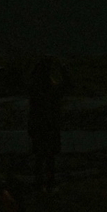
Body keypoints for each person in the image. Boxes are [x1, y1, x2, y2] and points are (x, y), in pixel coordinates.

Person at [27, 56, 68, 193]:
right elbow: (66, 87)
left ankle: (39, 183)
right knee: (49, 157)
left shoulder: (35, 88)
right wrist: (63, 69)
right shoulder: (51, 89)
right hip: (49, 126)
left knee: (40, 156)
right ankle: (49, 183)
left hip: (40, 125)